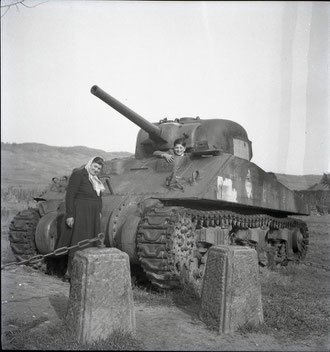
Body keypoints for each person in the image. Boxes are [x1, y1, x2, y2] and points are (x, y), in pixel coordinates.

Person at [58, 156, 105, 281]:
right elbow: (70, 196)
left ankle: (86, 274)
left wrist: (99, 212)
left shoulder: (96, 180)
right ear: (90, 164)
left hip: (93, 215)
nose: (96, 170)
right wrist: (70, 215)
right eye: (95, 166)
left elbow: (99, 198)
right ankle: (70, 273)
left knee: (91, 242)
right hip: (80, 213)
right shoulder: (79, 174)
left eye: (99, 168)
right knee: (77, 242)